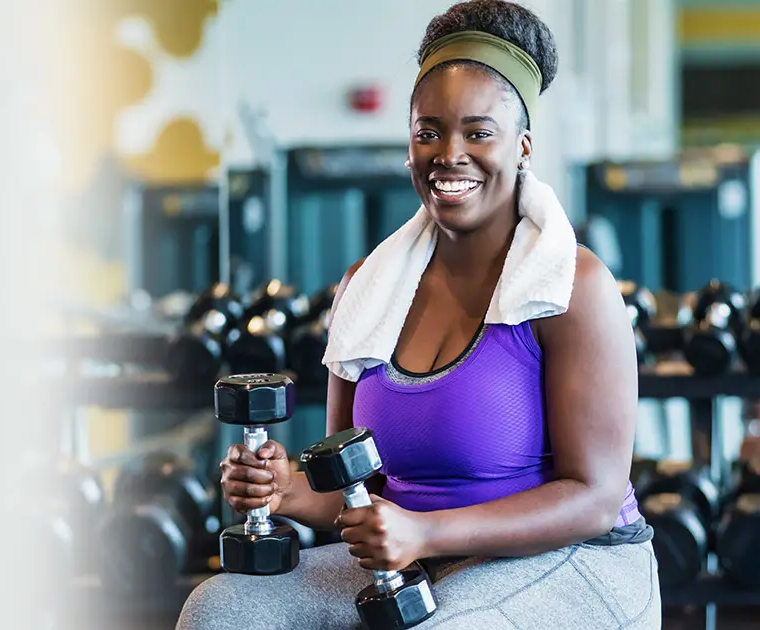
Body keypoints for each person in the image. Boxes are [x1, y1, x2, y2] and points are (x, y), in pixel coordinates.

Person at [176, 2, 660, 628]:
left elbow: (592, 501)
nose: (448, 154)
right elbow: (358, 493)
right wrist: (286, 488)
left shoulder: (574, 287)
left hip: (573, 560)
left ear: (524, 146)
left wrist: (424, 532)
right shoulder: (367, 289)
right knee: (222, 610)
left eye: (479, 132)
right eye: (428, 131)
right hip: (421, 557)